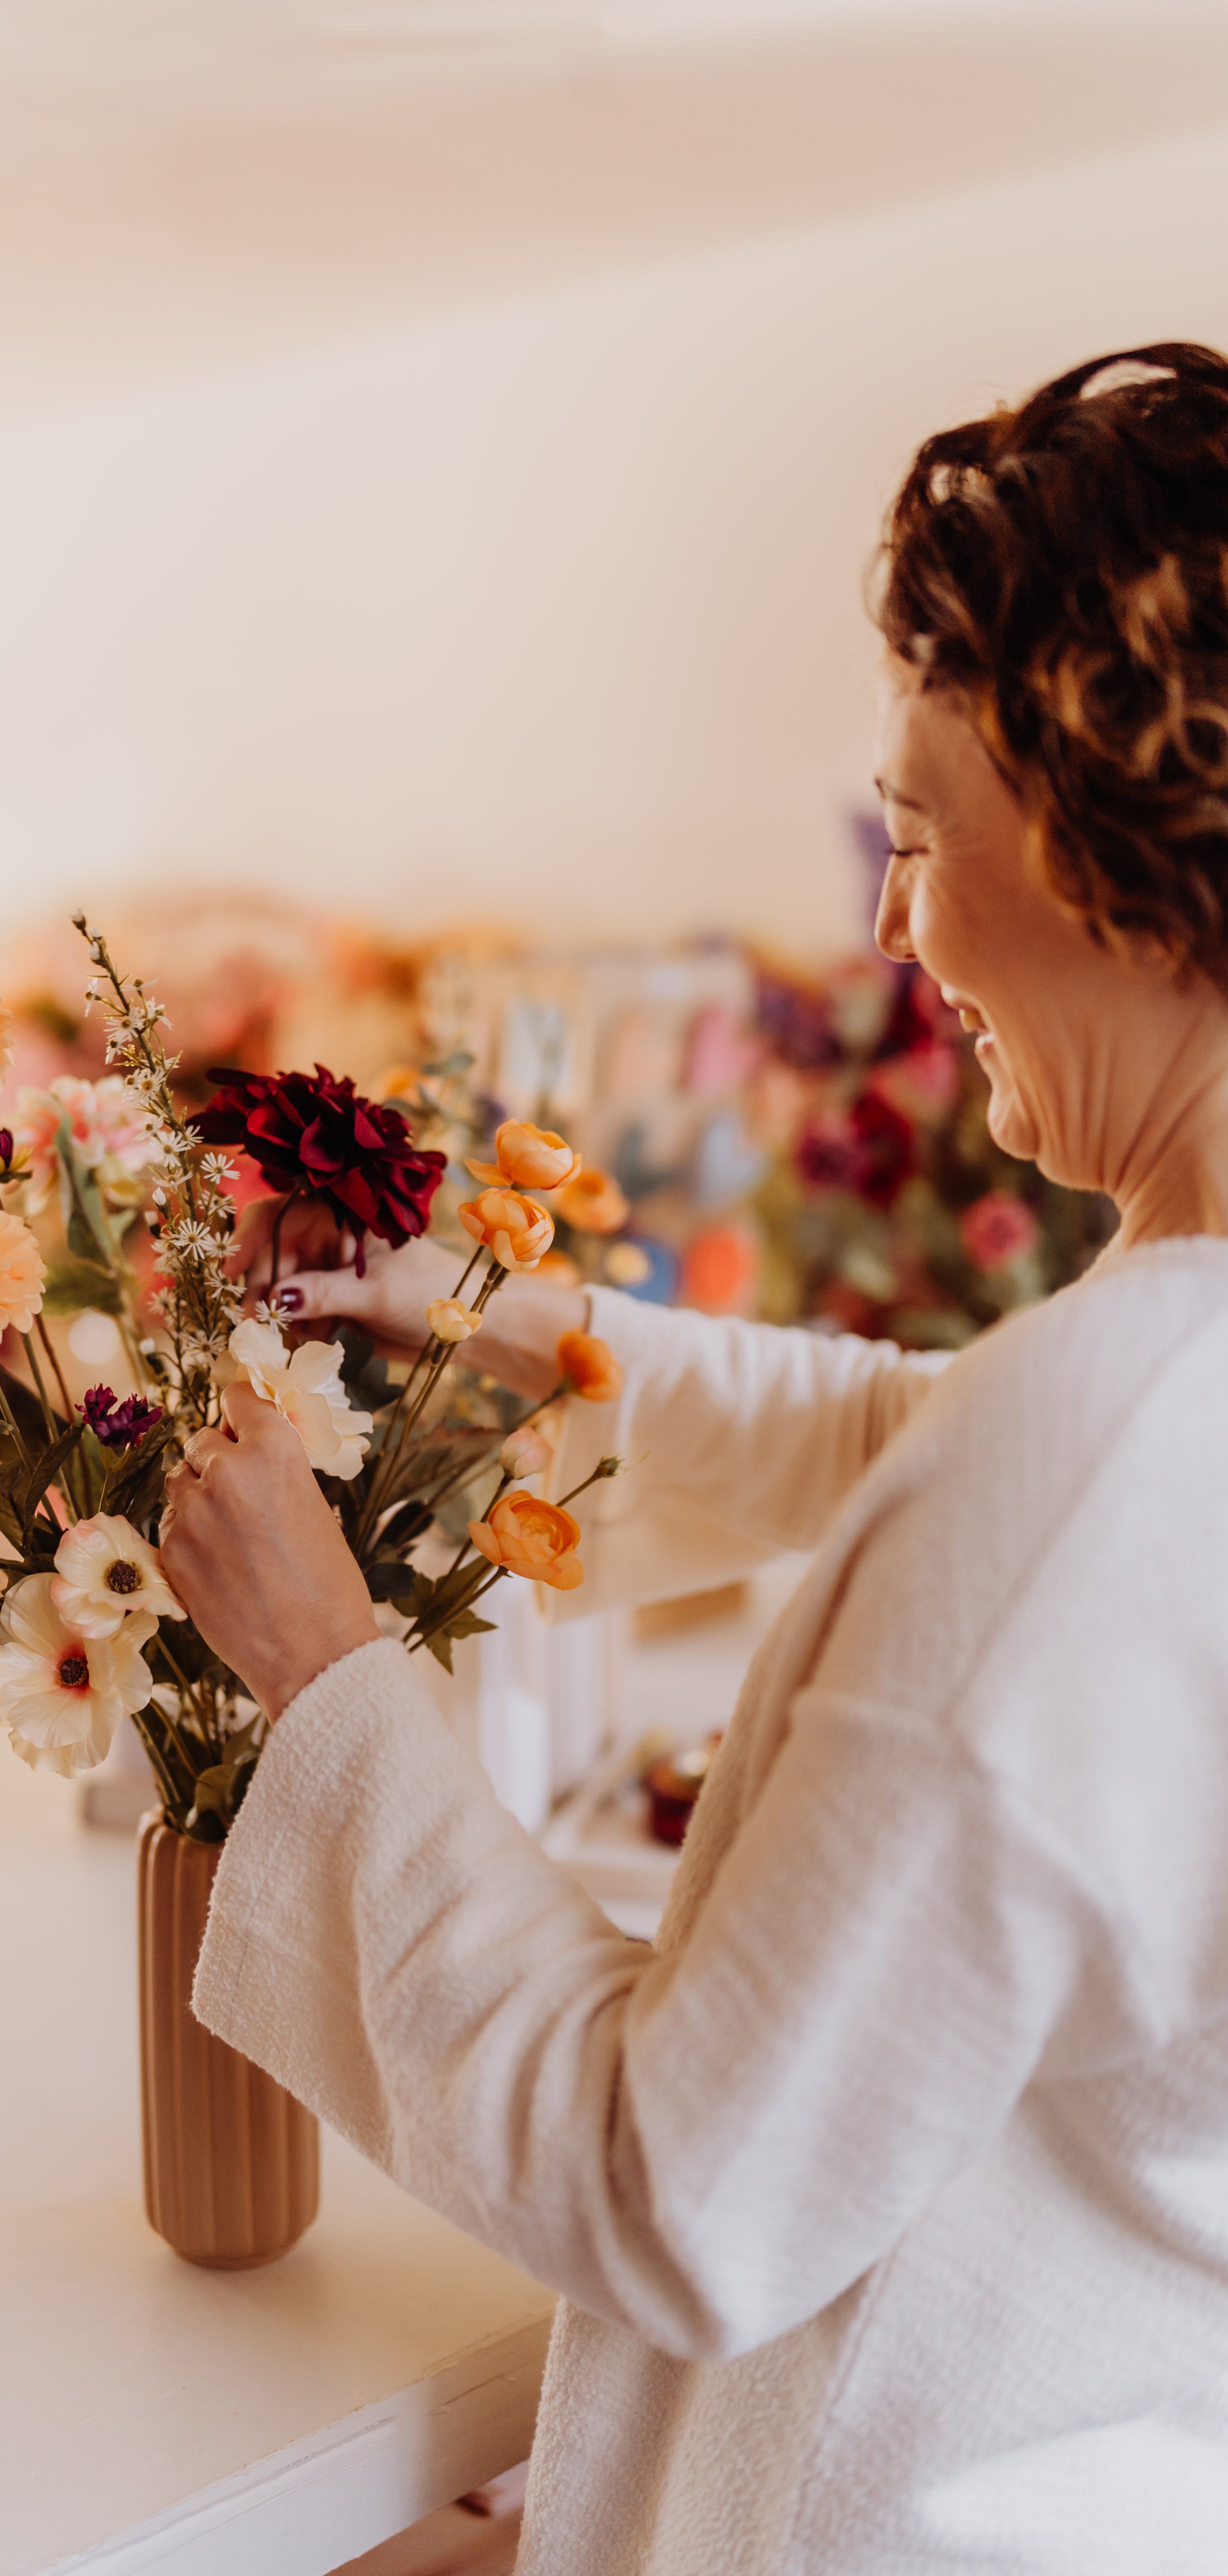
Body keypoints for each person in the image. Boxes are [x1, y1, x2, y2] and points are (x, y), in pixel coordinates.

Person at [158, 344, 1228, 2572]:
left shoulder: (1108, 1438)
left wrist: (327, 1673)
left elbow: (671, 2192)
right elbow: (937, 1466)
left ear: (1116, 861)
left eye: (920, 838)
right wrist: (519, 1328)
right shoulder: (1141, 1416)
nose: (892, 927)